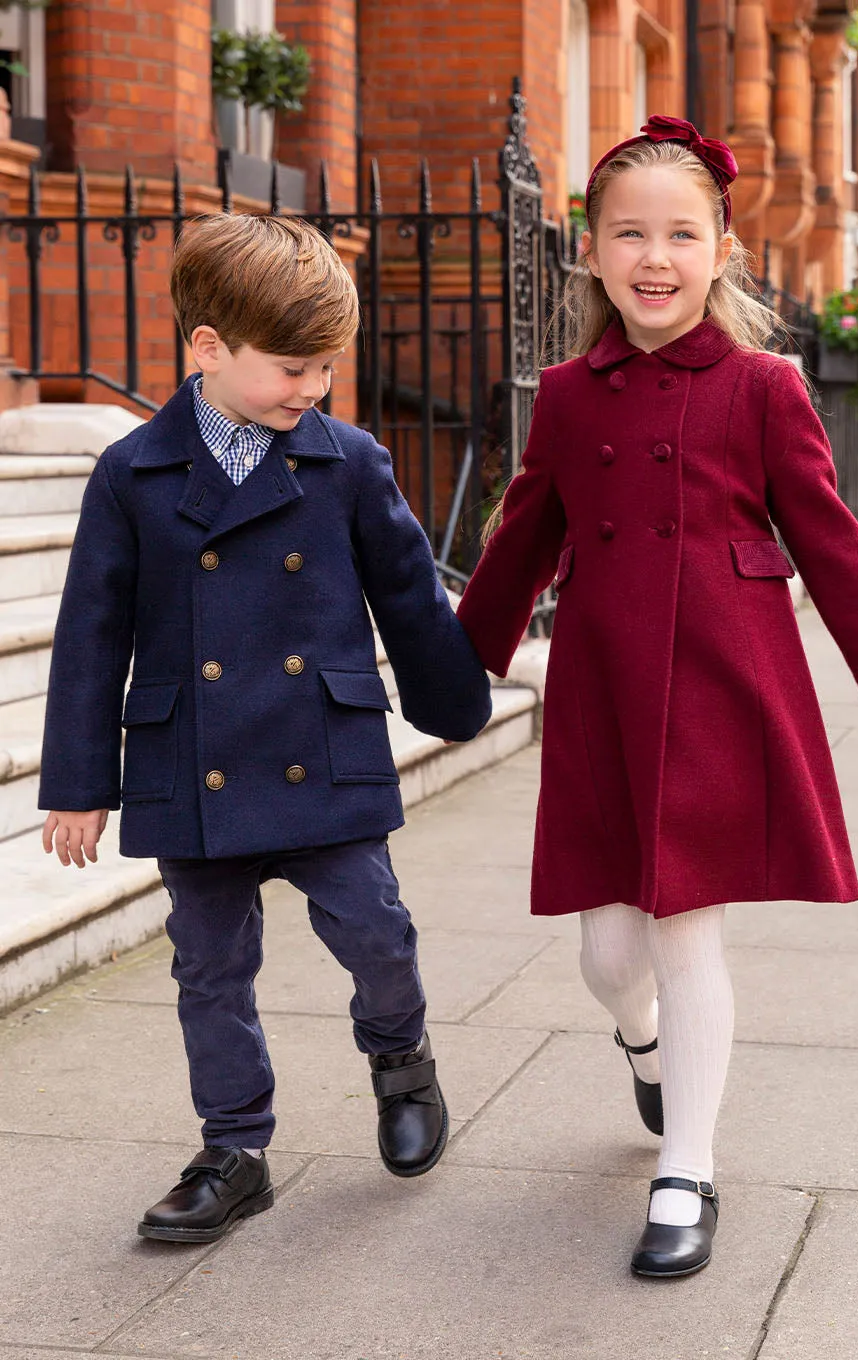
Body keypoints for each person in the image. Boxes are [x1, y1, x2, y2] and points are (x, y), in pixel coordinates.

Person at [456, 117, 858, 1279]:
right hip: (598, 692)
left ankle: (688, 1164)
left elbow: (831, 544)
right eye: (629, 233)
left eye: (681, 234)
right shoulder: (571, 398)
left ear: (721, 250)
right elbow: (523, 537)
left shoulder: (762, 388)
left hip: (722, 686)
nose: (655, 256)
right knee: (606, 951)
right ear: (588, 251)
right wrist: (454, 667)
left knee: (687, 929)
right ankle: (639, 1043)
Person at [38, 213, 492, 1243]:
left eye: (327, 368)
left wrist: (454, 701)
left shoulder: (349, 461)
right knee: (209, 964)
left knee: (376, 931)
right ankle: (234, 1146)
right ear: (207, 349)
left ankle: (400, 1054)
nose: (314, 389)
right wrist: (78, 782)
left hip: (319, 749)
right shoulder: (133, 472)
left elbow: (412, 597)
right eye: (294, 368)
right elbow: (90, 633)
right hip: (188, 754)